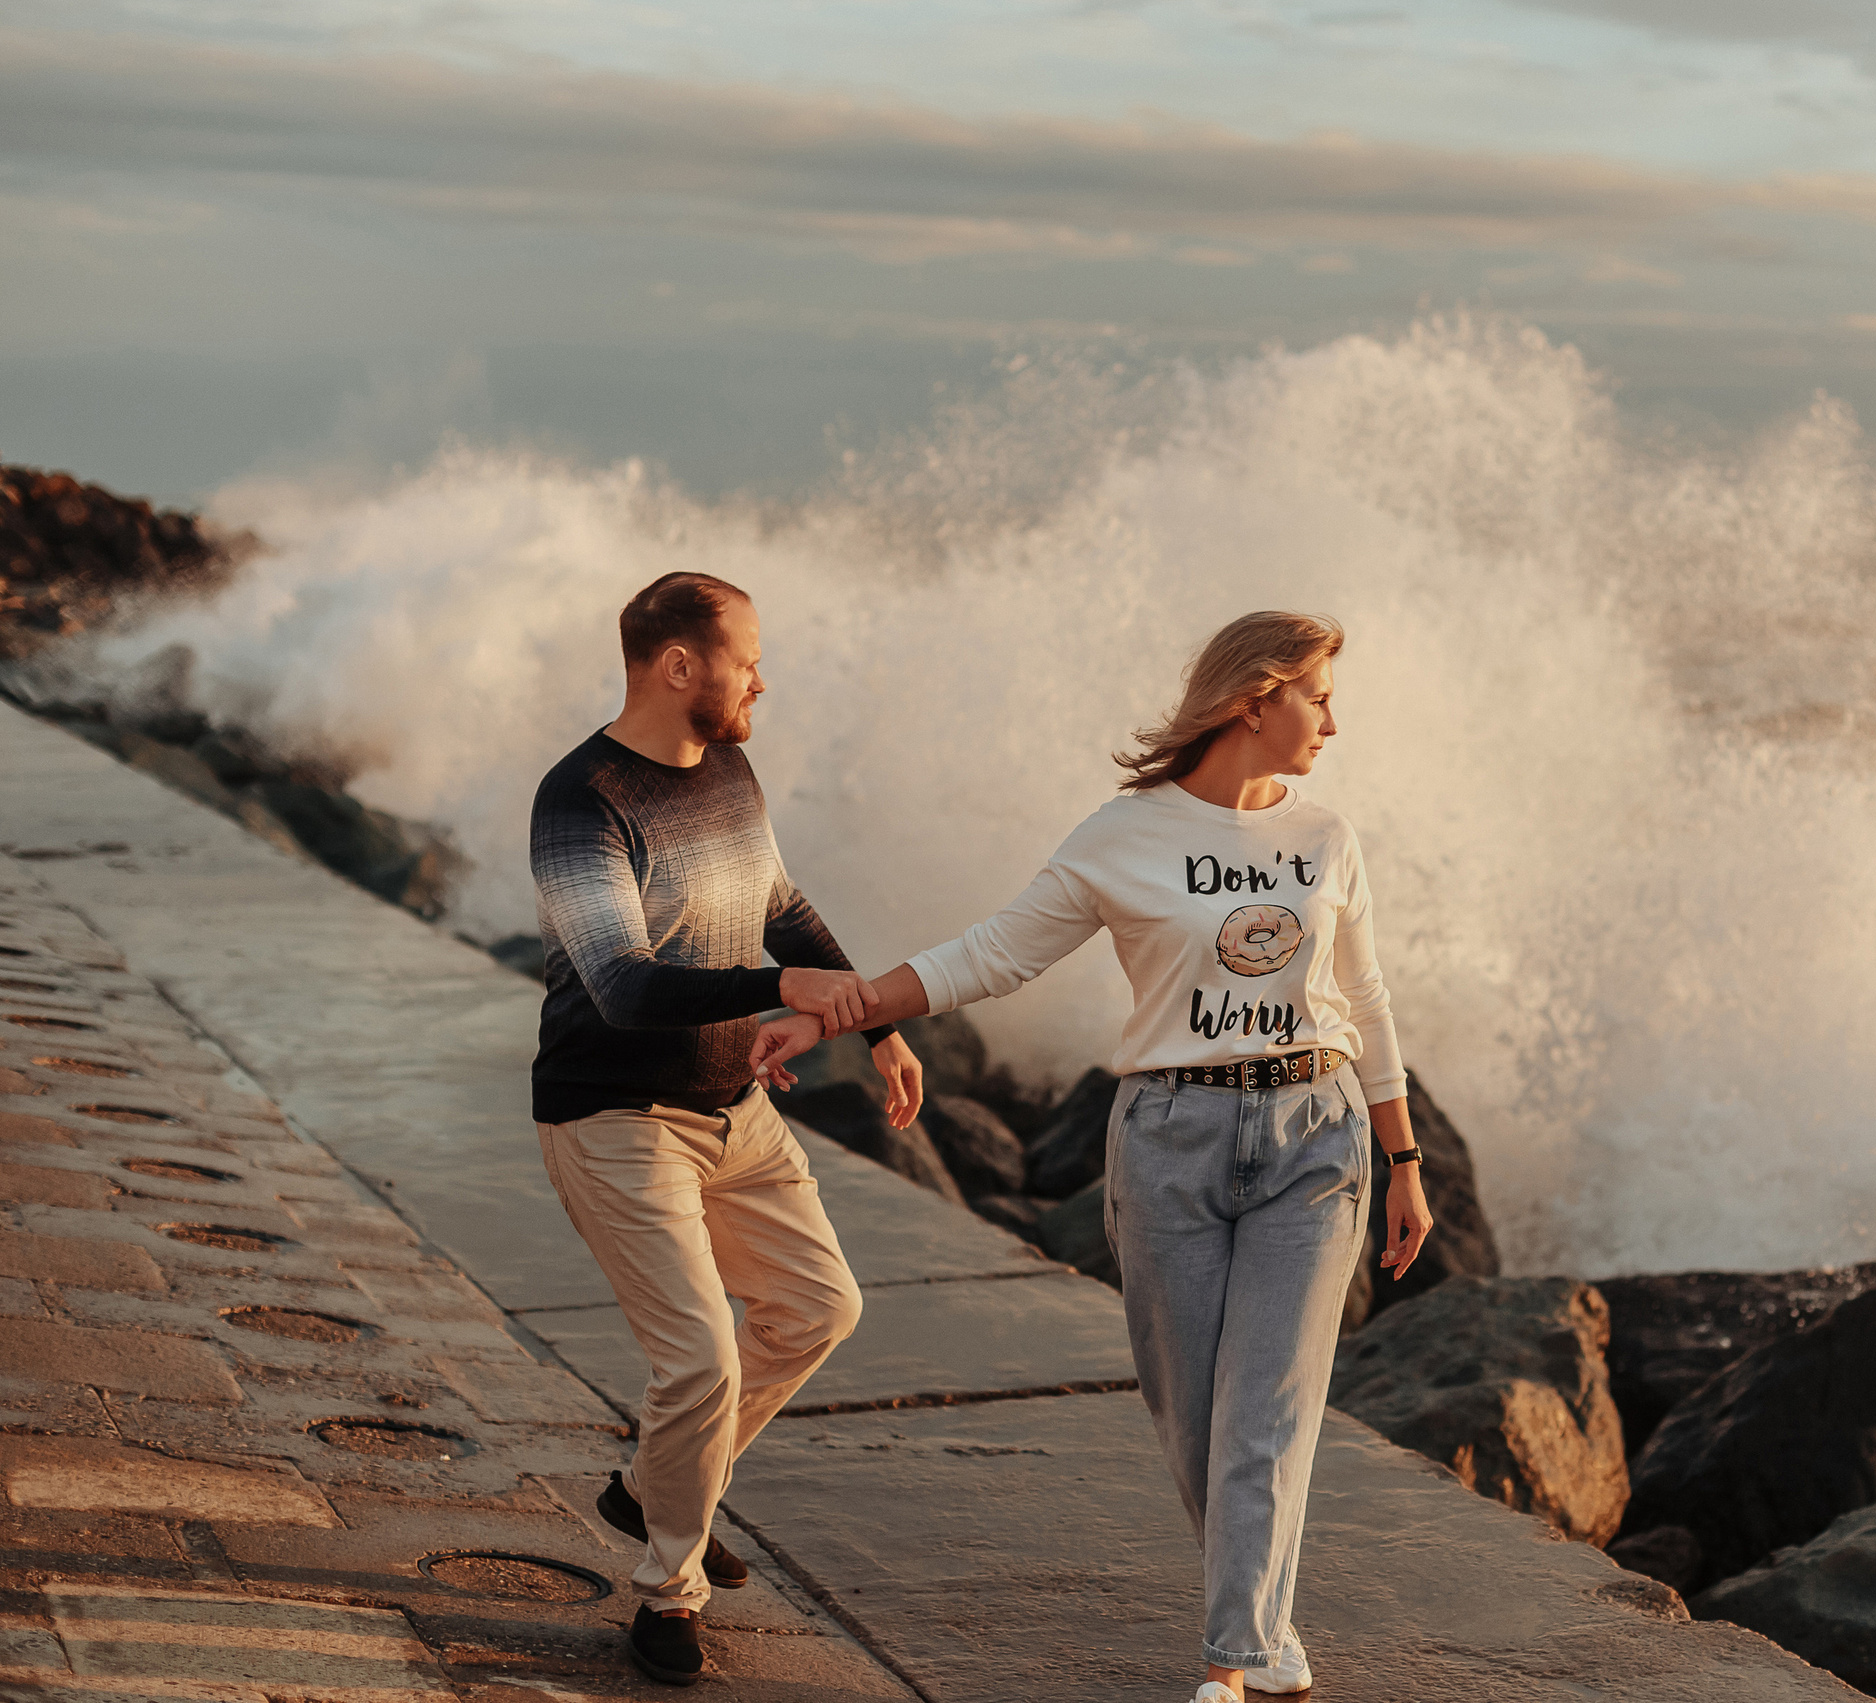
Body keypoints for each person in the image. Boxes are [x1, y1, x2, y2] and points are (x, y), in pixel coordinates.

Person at [749, 610, 1433, 1703]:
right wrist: (848, 1012)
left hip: (1318, 1133)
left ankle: (1227, 1668)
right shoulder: (1125, 833)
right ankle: (1263, 1624)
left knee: (1268, 1407)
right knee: (1192, 1411)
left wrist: (1403, 1159)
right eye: (1318, 696)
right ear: (1255, 698)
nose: (1333, 721)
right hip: (1171, 1137)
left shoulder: (1326, 836)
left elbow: (1367, 997)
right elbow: (995, 950)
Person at [529, 570, 924, 1686]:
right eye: (748, 657)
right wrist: (776, 984)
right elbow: (620, 984)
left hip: (732, 1108)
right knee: (697, 1356)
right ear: (679, 666)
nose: (763, 677)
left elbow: (782, 904)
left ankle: (656, 1485)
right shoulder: (581, 799)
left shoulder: (732, 768)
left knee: (820, 1306)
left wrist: (873, 1020)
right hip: (613, 1114)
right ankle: (669, 1586)